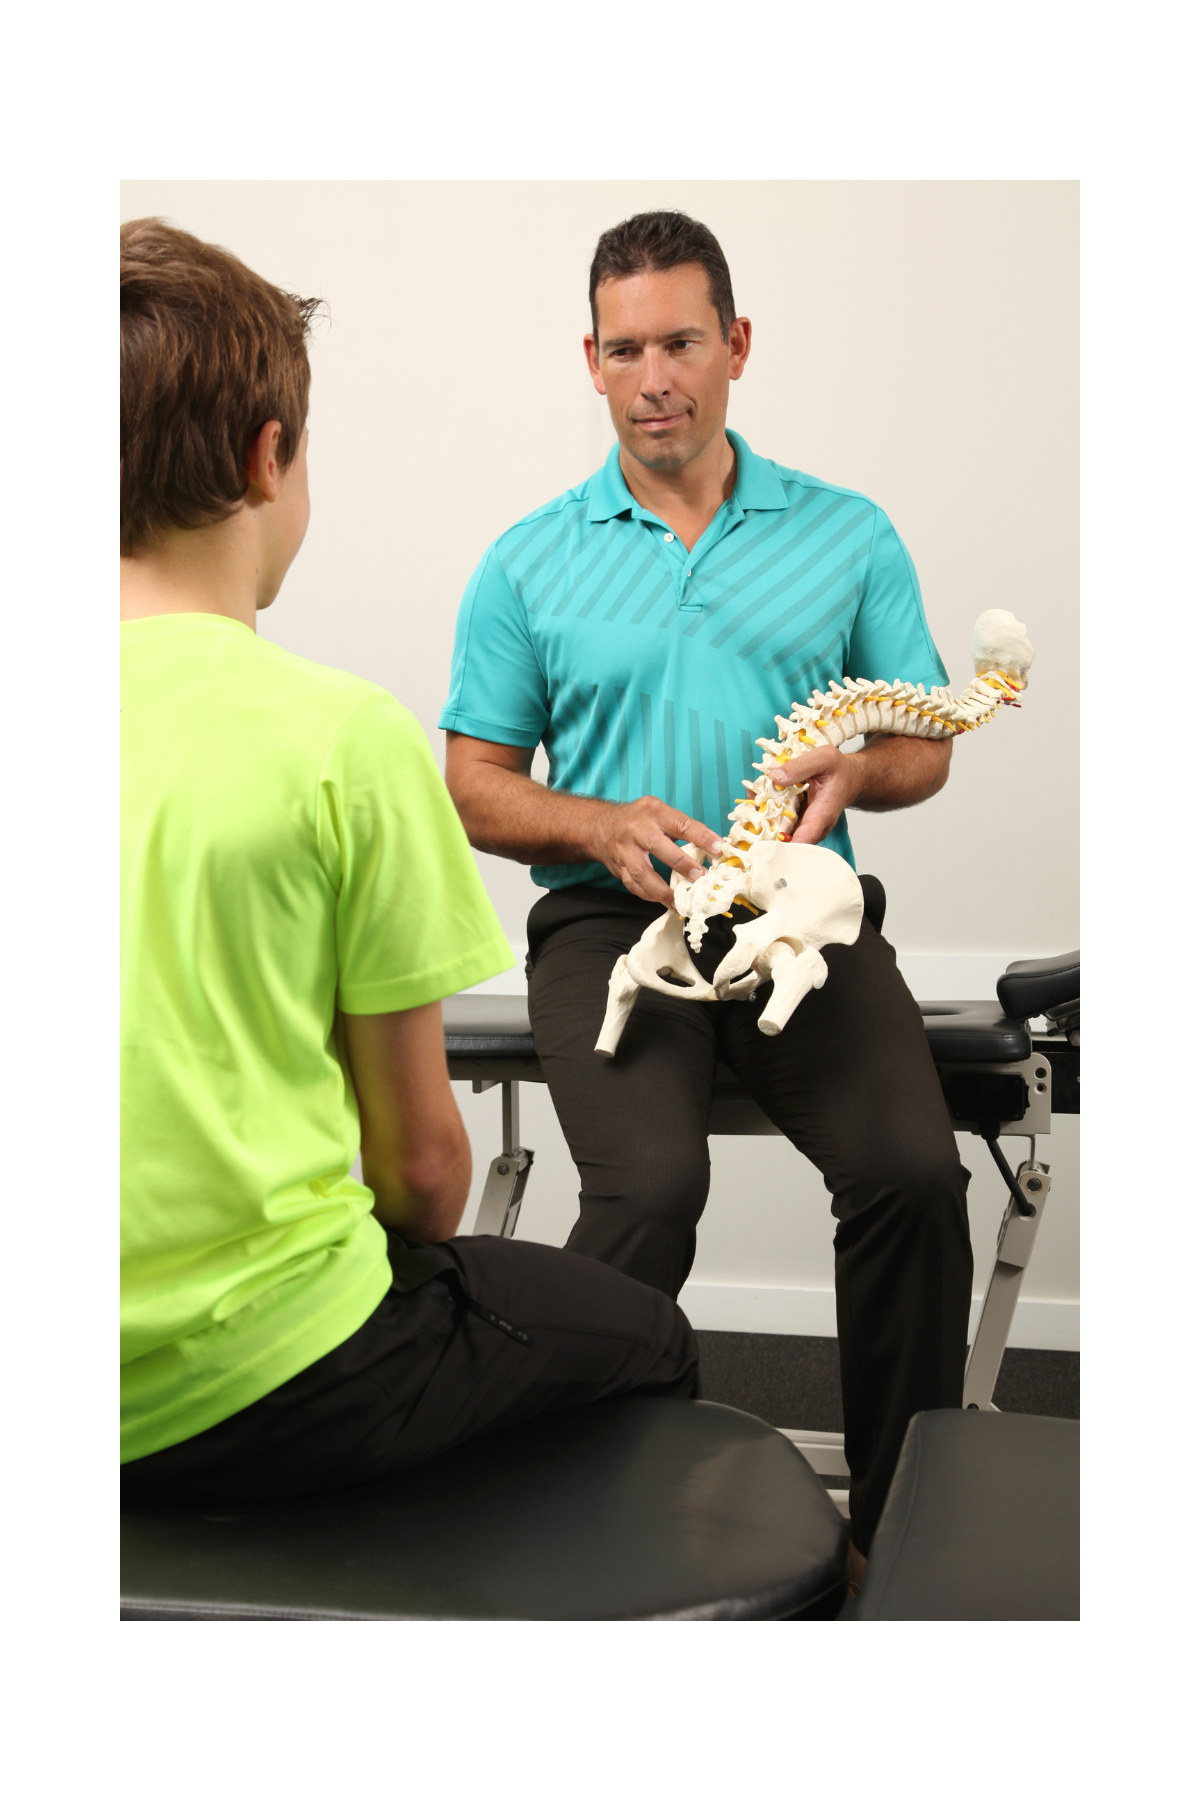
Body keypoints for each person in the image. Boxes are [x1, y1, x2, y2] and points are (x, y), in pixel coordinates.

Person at [120, 219, 696, 1506]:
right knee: (648, 1337)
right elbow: (427, 1183)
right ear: (268, 457)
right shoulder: (340, 737)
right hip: (272, 1381)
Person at [441, 211, 972, 1583]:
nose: (655, 378)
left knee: (914, 1173)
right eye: (626, 351)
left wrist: (859, 771)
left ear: (736, 345)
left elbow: (925, 746)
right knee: (652, 1189)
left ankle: (897, 1540)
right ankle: (568, 1525)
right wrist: (596, 822)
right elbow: (473, 784)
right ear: (592, 362)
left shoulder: (848, 534)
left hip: (797, 911)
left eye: (681, 343)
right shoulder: (529, 558)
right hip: (611, 920)